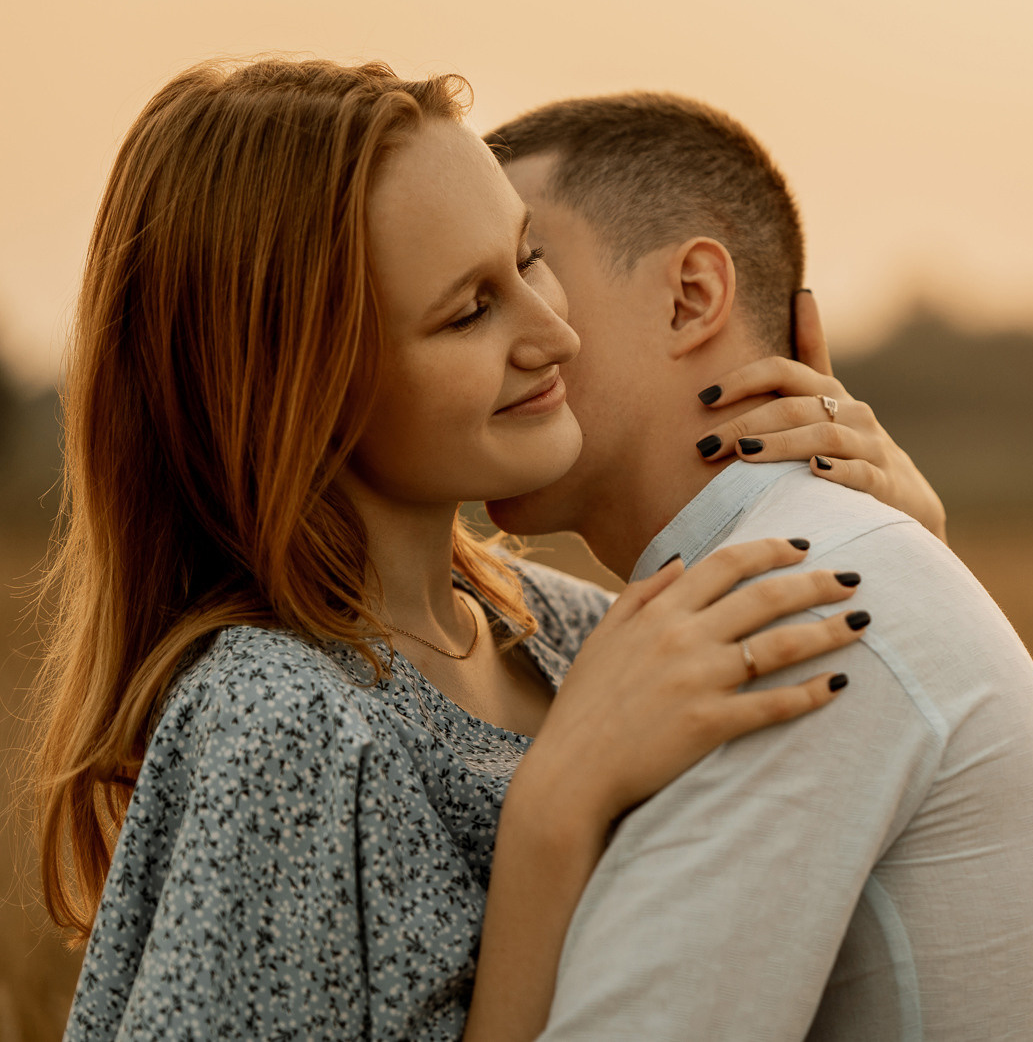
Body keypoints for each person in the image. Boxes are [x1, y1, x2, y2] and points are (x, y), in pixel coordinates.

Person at [32, 58, 945, 1042]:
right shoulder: (277, 720)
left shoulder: (575, 632)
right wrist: (552, 818)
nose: (555, 332)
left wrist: (900, 550)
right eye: (470, 309)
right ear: (299, 384)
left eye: (528, 257)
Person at [483, 92, 1033, 1040]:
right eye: (469, 298)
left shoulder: (791, 608)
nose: (497, 330)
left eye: (531, 264)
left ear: (692, 296)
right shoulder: (807, 565)